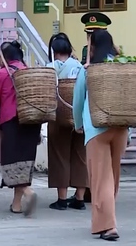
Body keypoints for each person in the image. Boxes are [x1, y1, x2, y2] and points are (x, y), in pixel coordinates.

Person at [72, 29, 128, 241]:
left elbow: (78, 101)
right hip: (121, 126)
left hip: (96, 128)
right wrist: (128, 130)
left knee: (101, 178)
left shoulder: (88, 70)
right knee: (113, 177)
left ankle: (108, 225)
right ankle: (108, 217)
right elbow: (129, 98)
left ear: (92, 46)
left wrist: (79, 124)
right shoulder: (123, 66)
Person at [0, 41, 40, 216]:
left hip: (12, 121)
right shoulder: (30, 72)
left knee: (11, 163)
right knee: (24, 162)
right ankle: (16, 204)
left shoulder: (2, 73)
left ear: (4, 58)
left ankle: (28, 192)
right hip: (31, 121)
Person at [45, 33, 88, 211]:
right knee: (80, 156)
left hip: (58, 116)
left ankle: (62, 199)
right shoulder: (79, 67)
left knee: (59, 156)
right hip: (79, 116)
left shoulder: (49, 68)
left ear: (54, 51)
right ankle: (79, 199)